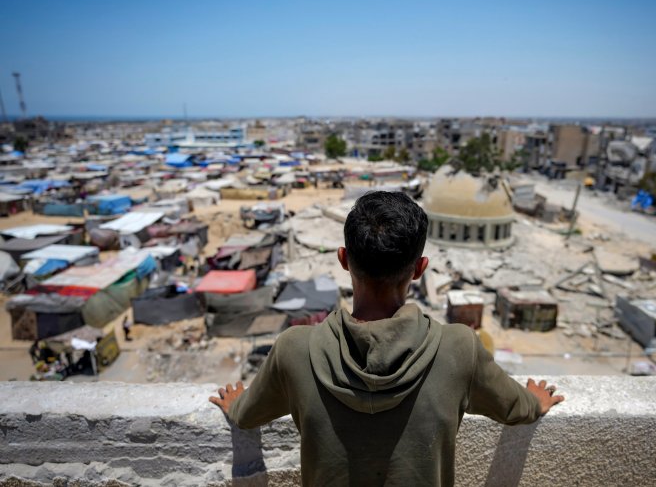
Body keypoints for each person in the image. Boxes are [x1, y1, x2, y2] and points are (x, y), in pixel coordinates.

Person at [210, 191, 564, 486]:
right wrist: (535, 401)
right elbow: (516, 408)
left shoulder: (294, 349)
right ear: (419, 268)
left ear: (344, 260)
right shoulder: (459, 348)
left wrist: (235, 405)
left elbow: (247, 415)